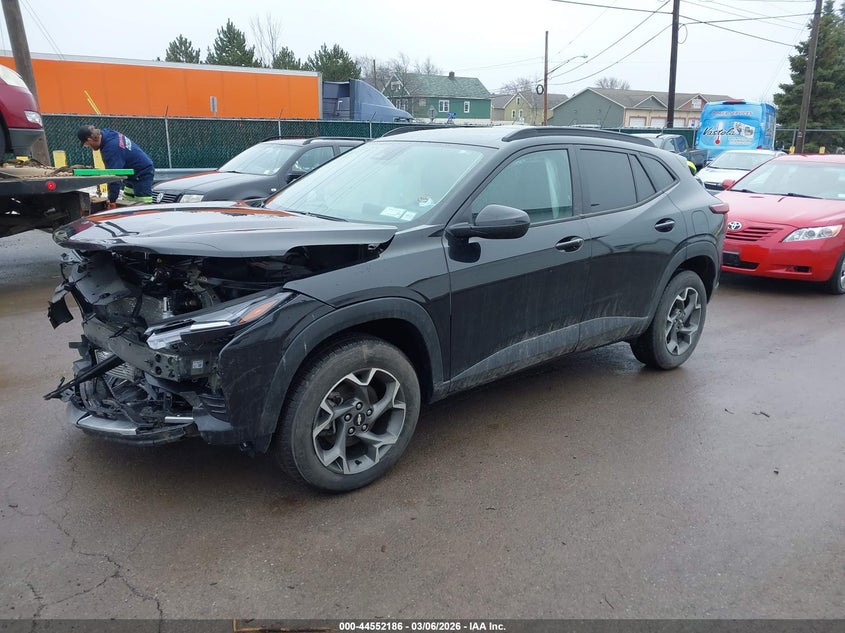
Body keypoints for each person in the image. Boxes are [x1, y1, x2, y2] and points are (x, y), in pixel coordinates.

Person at [77, 125, 155, 205]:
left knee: (142, 207)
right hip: (132, 175)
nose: (89, 147)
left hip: (142, 173)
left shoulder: (111, 149)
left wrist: (112, 201)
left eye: (87, 145)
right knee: (126, 205)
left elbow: (114, 178)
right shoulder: (107, 133)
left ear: (90, 139)